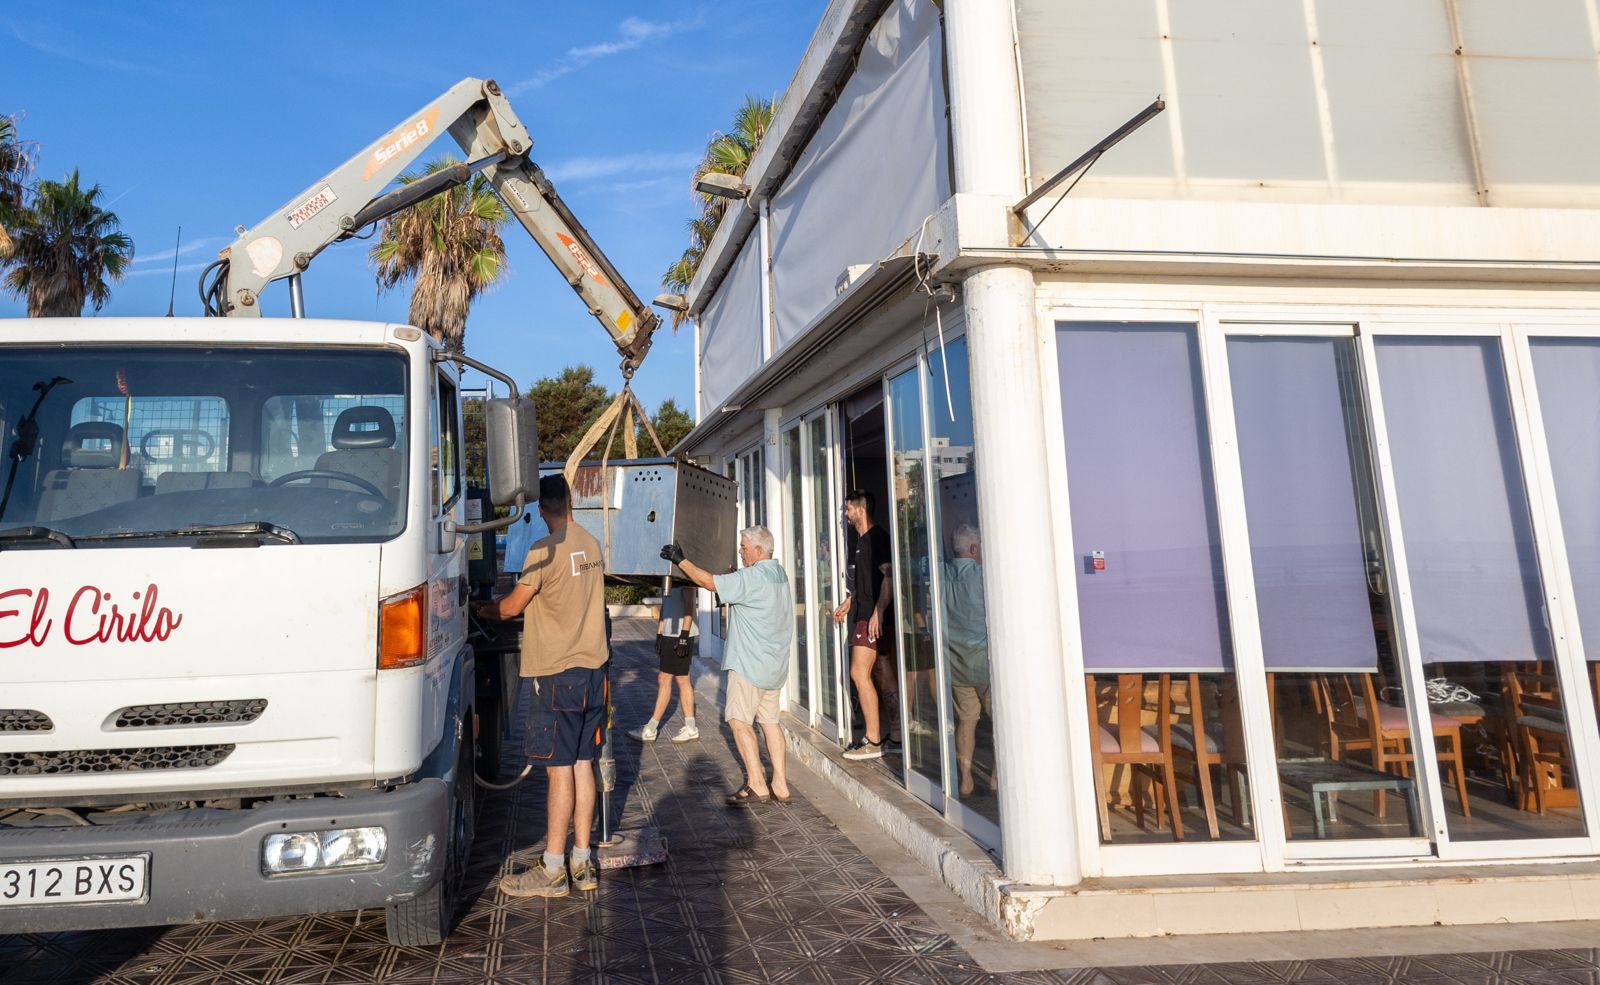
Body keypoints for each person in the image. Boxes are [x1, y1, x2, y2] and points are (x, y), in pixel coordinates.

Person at [473, 475, 607, 900]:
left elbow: (512, 606)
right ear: (570, 501)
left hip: (558, 675)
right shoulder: (591, 542)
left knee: (558, 771)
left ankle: (551, 869)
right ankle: (582, 863)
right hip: (594, 673)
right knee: (585, 763)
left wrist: (479, 607)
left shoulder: (542, 551)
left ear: (541, 509)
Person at [661, 526, 793, 806]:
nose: (741, 551)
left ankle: (757, 784)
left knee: (738, 721)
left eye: (744, 547)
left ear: (759, 550)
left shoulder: (752, 577)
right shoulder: (778, 575)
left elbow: (709, 583)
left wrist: (680, 560)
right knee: (770, 722)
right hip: (775, 665)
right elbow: (743, 590)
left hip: (750, 665)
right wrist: (736, 575)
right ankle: (780, 784)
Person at [833, 489, 895, 761]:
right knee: (882, 673)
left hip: (872, 619)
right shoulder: (861, 541)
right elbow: (869, 580)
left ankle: (873, 739)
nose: (845, 514)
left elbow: (889, 576)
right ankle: (896, 737)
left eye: (847, 509)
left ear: (860, 509)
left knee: (859, 673)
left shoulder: (876, 537)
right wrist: (851, 600)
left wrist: (877, 612)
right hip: (865, 613)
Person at [943, 524, 996, 798]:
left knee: (966, 720)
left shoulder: (942, 575)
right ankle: (997, 777)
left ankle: (965, 779)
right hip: (984, 661)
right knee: (998, 720)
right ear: (974, 549)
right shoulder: (982, 574)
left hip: (956, 661)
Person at [627, 584, 700, 743]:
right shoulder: (666, 577)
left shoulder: (683, 577)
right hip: (669, 634)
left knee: (664, 679)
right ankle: (691, 727)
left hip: (680, 635)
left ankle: (651, 729)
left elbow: (689, 607)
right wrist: (659, 632)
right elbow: (665, 607)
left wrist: (684, 635)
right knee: (682, 679)